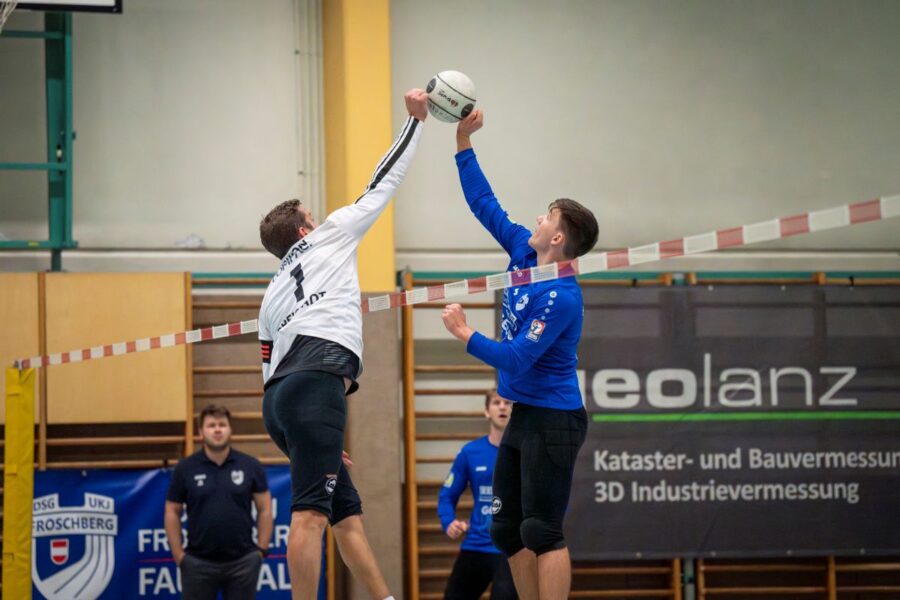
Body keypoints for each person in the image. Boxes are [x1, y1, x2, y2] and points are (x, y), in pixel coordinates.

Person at [257, 89, 428, 600]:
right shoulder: (329, 234)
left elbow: (267, 369)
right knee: (310, 514)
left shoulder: (271, 292)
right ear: (306, 228)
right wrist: (415, 123)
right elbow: (383, 182)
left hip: (282, 402)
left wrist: (309, 432)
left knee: (344, 514)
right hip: (314, 387)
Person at [440, 109, 599, 600]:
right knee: (508, 530)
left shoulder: (562, 296)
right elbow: (484, 204)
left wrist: (465, 333)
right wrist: (463, 141)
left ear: (558, 239)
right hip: (526, 415)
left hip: (555, 418)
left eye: (546, 217)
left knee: (542, 531)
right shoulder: (524, 256)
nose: (536, 219)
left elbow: (515, 359)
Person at [165, 404, 273, 600]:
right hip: (197, 564)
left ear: (230, 430)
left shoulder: (250, 465)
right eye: (211, 425)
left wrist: (261, 550)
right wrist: (179, 555)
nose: (217, 429)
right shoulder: (185, 468)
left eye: (222, 424)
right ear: (201, 432)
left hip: (243, 563)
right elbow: (172, 510)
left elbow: (265, 508)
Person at [439, 389, 517, 600]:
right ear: (486, 411)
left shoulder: (526, 452)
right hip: (476, 545)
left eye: (508, 402)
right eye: (496, 402)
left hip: (512, 550)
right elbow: (447, 495)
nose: (502, 406)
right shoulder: (470, 452)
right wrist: (449, 521)